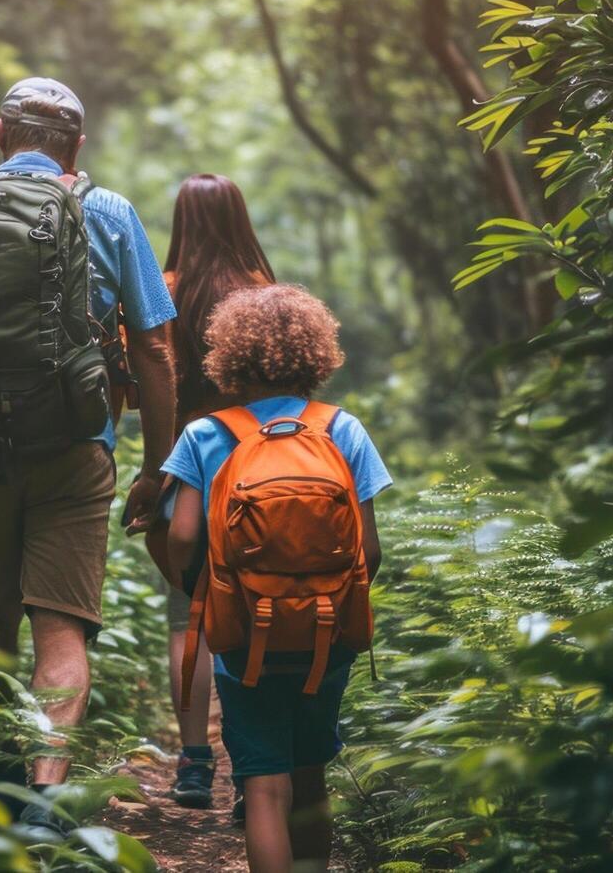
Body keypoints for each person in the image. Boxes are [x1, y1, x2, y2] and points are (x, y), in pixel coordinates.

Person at [0, 77, 178, 829]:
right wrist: (157, 468)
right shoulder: (106, 211)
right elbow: (152, 345)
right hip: (76, 451)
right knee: (62, 628)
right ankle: (45, 804)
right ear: (77, 147)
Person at [161, 284, 390, 873]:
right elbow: (368, 546)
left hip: (244, 636)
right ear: (317, 354)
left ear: (228, 357)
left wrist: (204, 592)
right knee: (309, 774)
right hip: (328, 630)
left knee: (263, 784)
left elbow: (183, 537)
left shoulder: (206, 434)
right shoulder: (343, 429)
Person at [146, 174, 276, 810]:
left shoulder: (161, 295)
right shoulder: (264, 297)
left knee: (188, 621)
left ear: (182, 222)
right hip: (262, 481)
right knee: (258, 620)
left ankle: (194, 763)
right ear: (239, 219)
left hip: (183, 480)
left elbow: (136, 386)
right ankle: (256, 770)